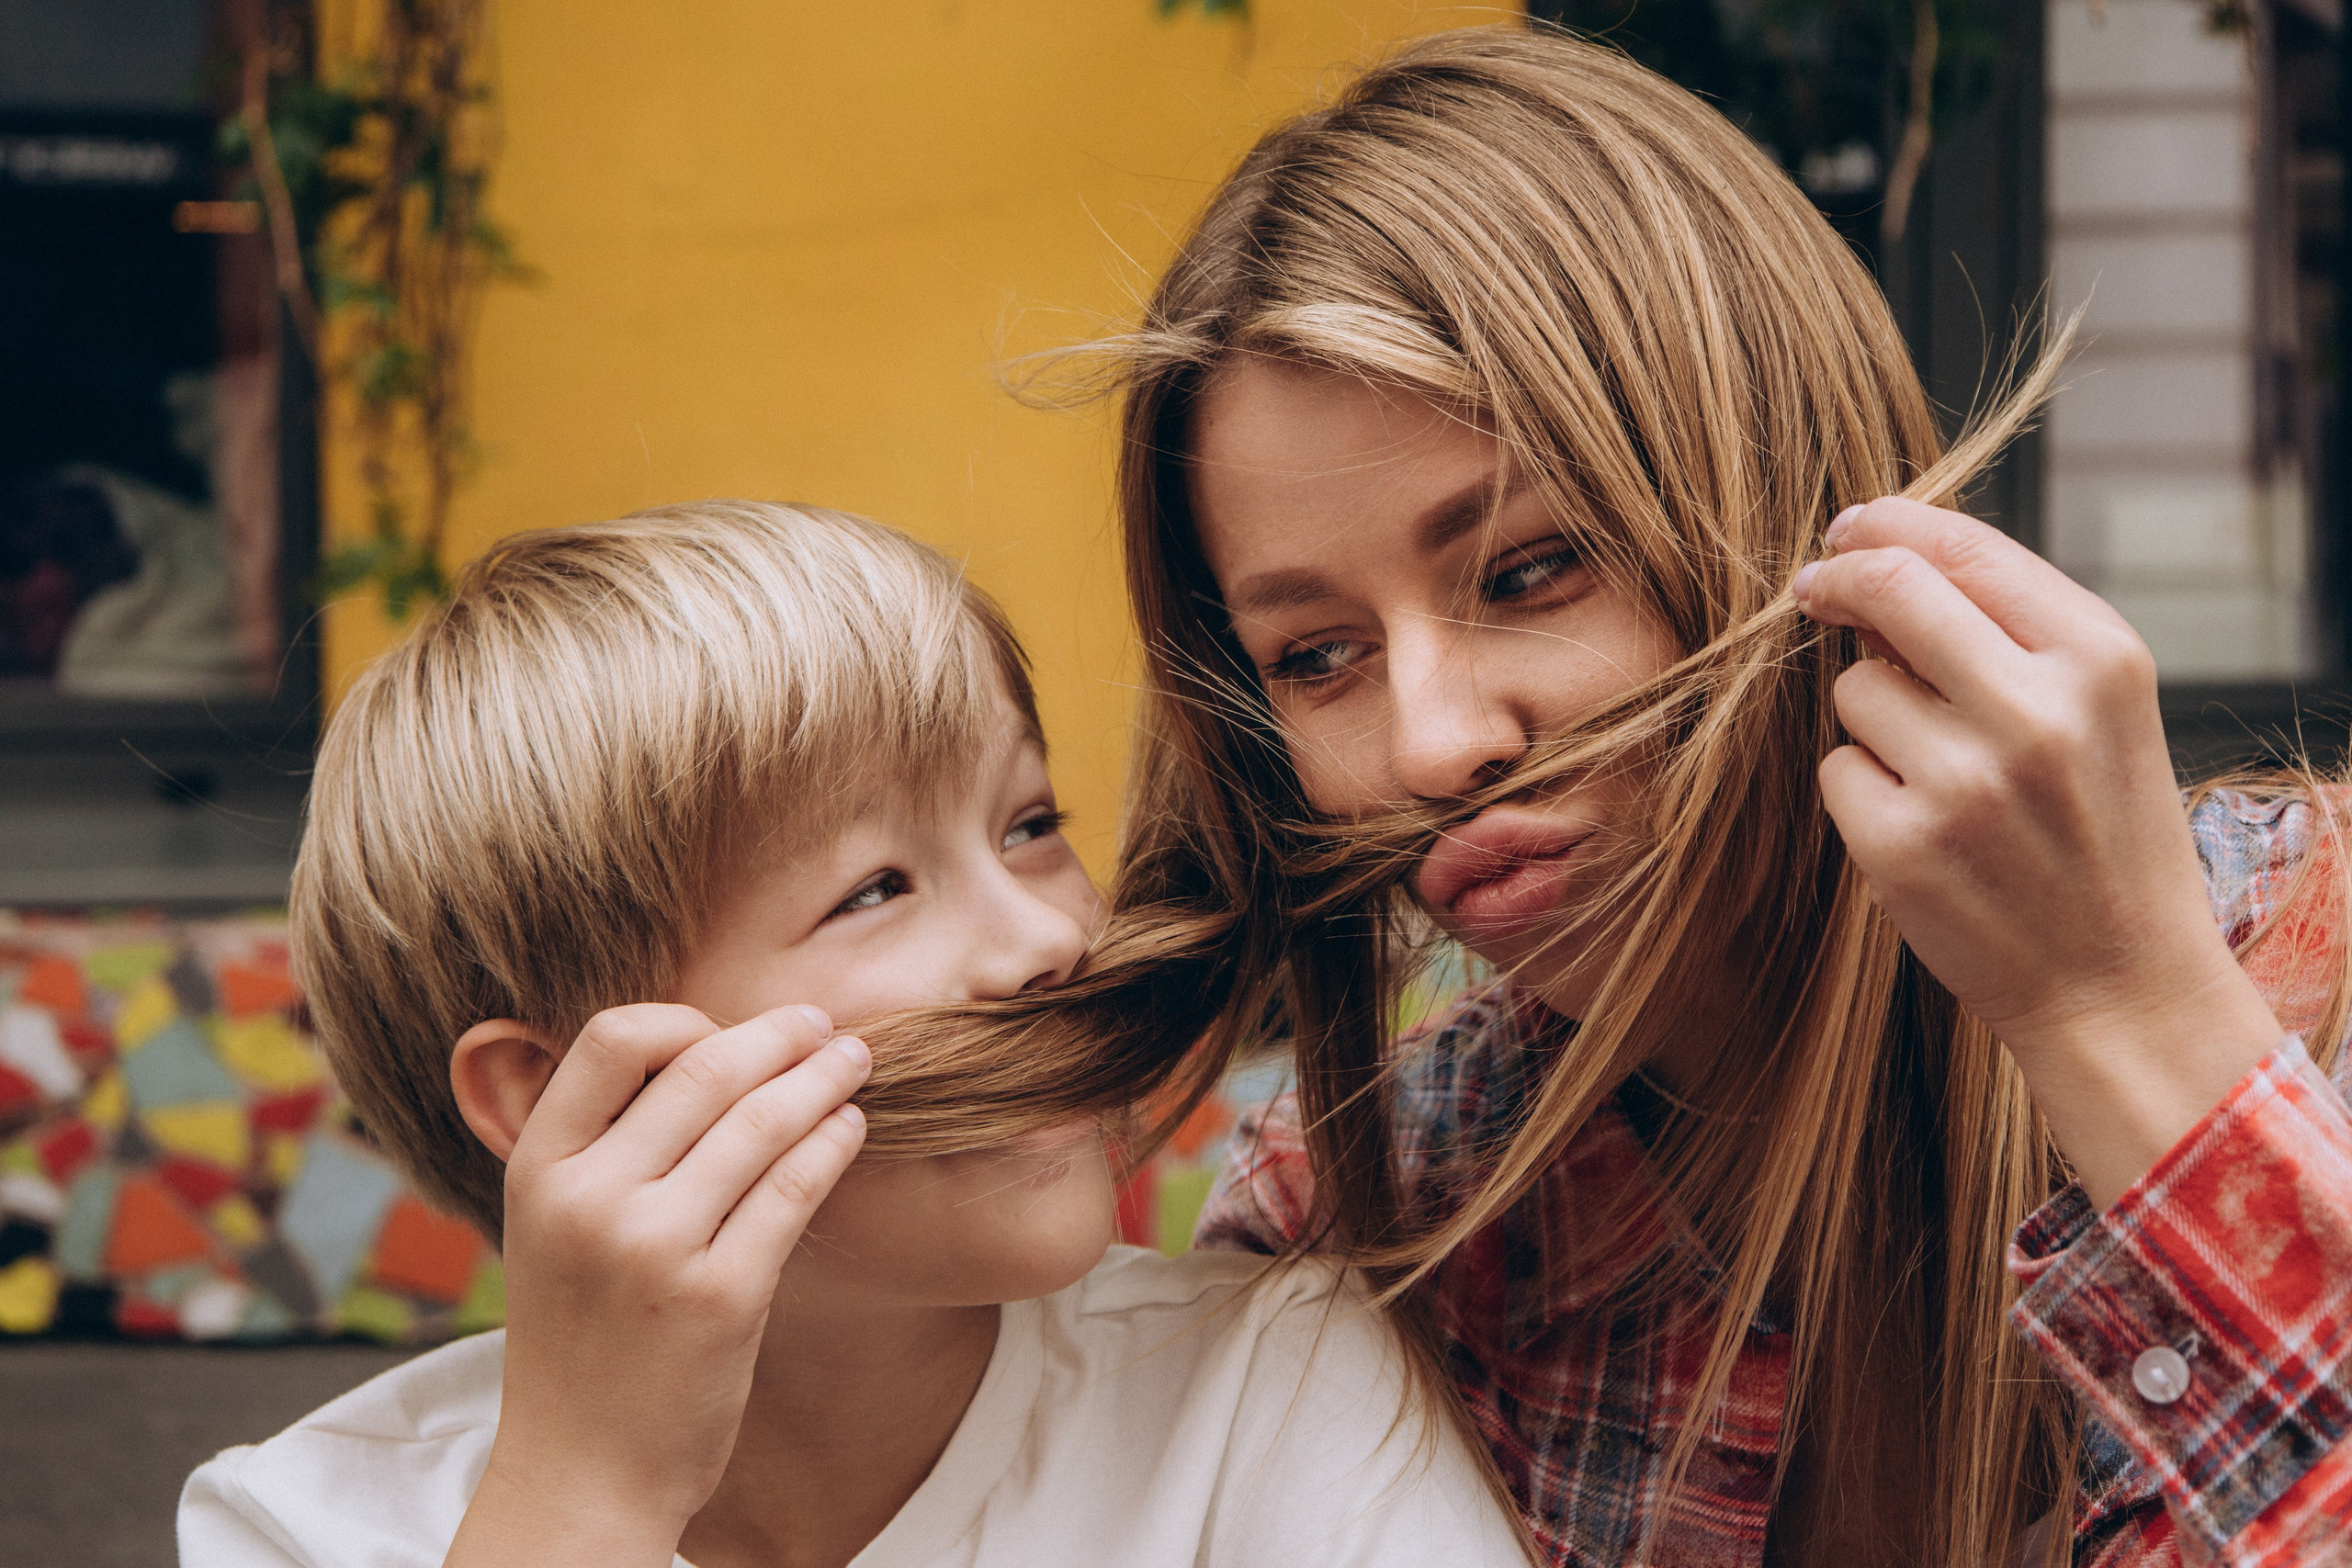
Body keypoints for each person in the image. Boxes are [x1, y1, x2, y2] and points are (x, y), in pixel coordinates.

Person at [1059, 28, 2352, 1568]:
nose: (1425, 744)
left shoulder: (2318, 970)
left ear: (1789, 502)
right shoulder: (1377, 1235)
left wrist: (2124, 1014)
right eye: (1317, 656)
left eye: (1529, 569)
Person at [175, 502, 1527, 1568]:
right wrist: (588, 1501)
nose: (1050, 941)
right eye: (875, 888)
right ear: (554, 1098)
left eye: (1031, 826)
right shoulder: (308, 1527)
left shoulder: (1267, 1390)